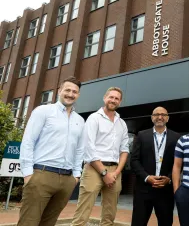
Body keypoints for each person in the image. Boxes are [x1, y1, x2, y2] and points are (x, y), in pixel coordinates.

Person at [18, 76, 85, 226]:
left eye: (74, 91)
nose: (70, 94)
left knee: (49, 223)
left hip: (67, 179)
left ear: (78, 95)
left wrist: (76, 175)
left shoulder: (80, 120)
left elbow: (80, 150)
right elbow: (28, 141)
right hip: (41, 175)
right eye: (67, 90)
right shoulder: (43, 111)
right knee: (28, 222)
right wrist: (28, 173)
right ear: (59, 91)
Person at [71, 87, 129, 226]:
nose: (113, 100)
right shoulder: (94, 118)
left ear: (120, 102)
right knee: (82, 213)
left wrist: (116, 172)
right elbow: (89, 148)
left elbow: (125, 150)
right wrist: (104, 173)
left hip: (115, 170)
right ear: (105, 98)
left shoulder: (122, 123)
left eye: (116, 98)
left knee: (109, 215)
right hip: (94, 168)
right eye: (111, 97)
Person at [130, 106, 181, 226]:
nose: (160, 117)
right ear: (152, 118)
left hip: (165, 190)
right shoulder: (141, 135)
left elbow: (178, 163)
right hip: (144, 189)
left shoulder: (176, 137)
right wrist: (147, 177)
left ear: (167, 118)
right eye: (156, 114)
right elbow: (134, 160)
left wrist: (169, 179)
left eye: (163, 114)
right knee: (138, 222)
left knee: (166, 223)